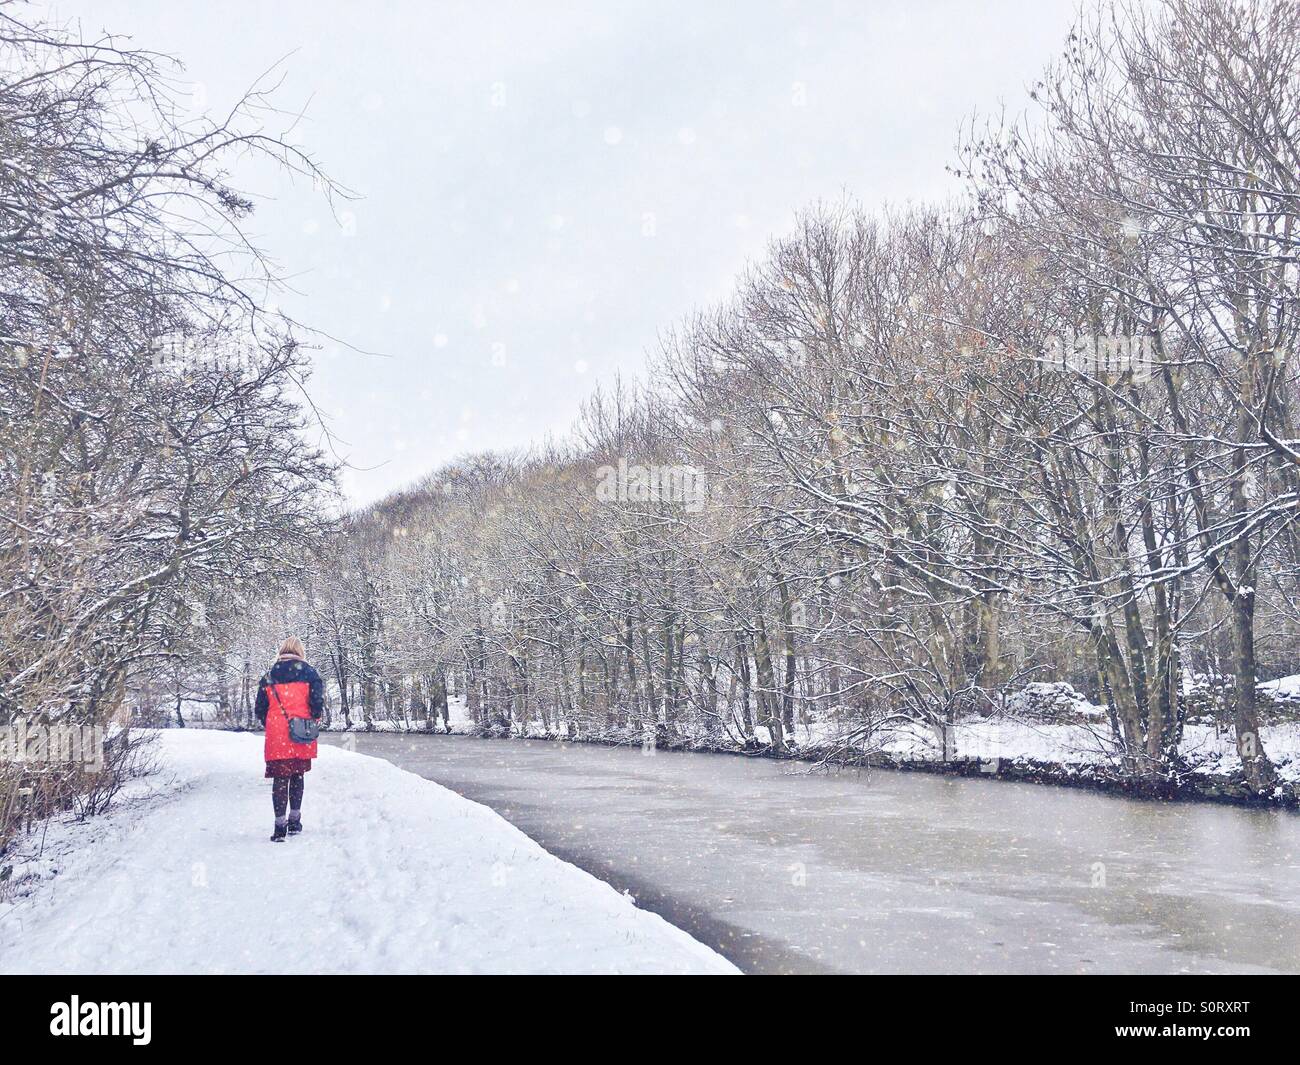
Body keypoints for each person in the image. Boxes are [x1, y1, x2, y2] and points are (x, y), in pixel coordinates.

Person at [255, 637, 325, 842]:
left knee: (280, 778)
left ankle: (279, 827)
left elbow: (260, 709)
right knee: (297, 775)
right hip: (301, 730)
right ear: (300, 652)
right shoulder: (310, 673)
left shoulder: (269, 675)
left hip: (278, 732)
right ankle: (295, 821)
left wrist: (271, 723)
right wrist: (312, 719)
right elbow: (316, 704)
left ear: (282, 651)